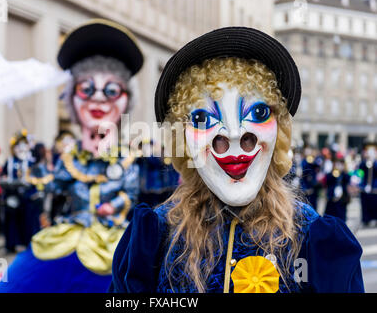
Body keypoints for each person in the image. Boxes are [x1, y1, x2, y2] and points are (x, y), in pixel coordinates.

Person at [110, 27, 364, 293]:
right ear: (182, 139)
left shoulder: (313, 239)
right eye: (202, 119)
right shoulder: (155, 238)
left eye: (258, 111)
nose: (233, 135)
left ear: (280, 129)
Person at [0, 19, 143, 293]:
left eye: (111, 90)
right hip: (61, 238)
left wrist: (114, 206)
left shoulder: (128, 159)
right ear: (72, 98)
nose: (98, 99)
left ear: (125, 100)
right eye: (86, 88)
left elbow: (130, 194)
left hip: (112, 244)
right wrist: (38, 178)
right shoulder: (67, 157)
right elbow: (53, 186)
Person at [0, 130, 35, 253]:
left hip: (27, 195)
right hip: (12, 195)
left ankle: (27, 243)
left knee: (27, 220)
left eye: (23, 145)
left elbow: (38, 178)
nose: (21, 148)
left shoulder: (31, 162)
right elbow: (3, 177)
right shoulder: (9, 162)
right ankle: (11, 244)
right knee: (11, 221)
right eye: (18, 146)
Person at [324, 154, 351, 222]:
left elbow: (348, 179)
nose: (338, 165)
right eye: (337, 163)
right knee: (330, 216)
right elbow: (327, 181)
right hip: (331, 198)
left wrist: (343, 171)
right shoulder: (330, 174)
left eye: (340, 163)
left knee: (341, 218)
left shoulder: (345, 174)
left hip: (342, 199)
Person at [358, 141, 377, 226]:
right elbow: (360, 171)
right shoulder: (363, 162)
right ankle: (365, 219)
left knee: (374, 204)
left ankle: (374, 218)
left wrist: (374, 162)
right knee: (365, 204)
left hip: (374, 187)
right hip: (365, 186)